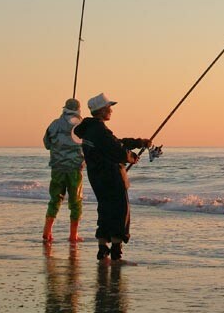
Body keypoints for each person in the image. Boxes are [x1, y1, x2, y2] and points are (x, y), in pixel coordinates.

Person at [73, 92, 151, 261]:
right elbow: (117, 150)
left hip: (97, 177)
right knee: (120, 211)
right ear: (101, 110)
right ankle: (116, 252)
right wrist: (132, 157)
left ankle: (103, 249)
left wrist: (138, 142)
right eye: (109, 107)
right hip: (111, 178)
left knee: (105, 210)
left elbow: (115, 142)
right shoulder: (100, 130)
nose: (111, 111)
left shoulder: (90, 129)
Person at [42, 98, 86, 244]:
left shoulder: (54, 124)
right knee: (75, 201)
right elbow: (89, 146)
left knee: (55, 199)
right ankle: (73, 235)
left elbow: (47, 144)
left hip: (57, 168)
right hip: (74, 169)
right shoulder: (81, 125)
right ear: (78, 110)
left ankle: (47, 232)